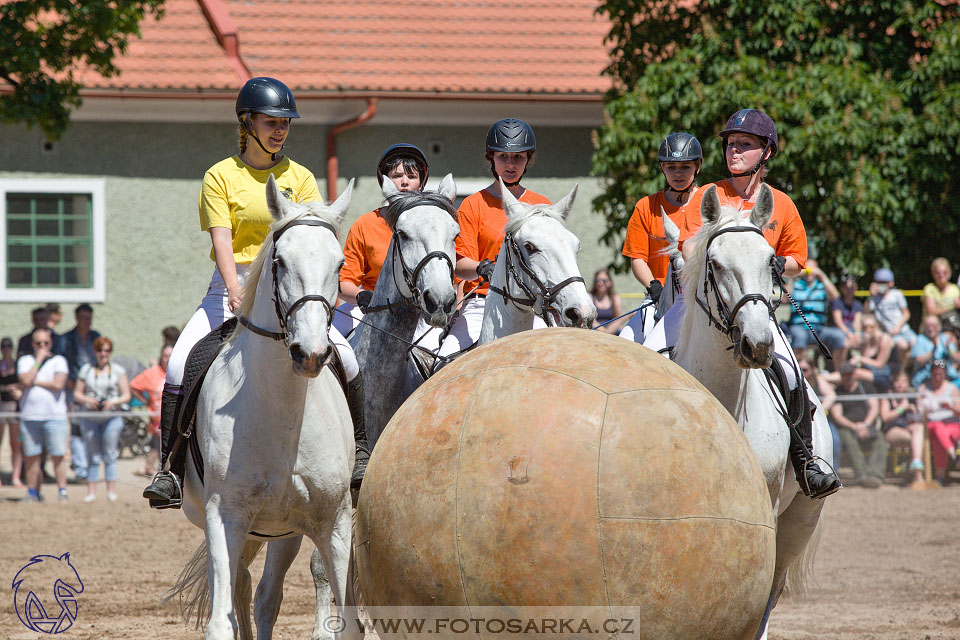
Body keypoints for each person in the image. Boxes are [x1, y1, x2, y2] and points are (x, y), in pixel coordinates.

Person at [143, 77, 364, 508]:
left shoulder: (299, 177)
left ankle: (359, 453)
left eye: (285, 123)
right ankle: (169, 469)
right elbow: (222, 240)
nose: (280, 130)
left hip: (292, 286)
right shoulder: (220, 176)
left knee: (349, 360)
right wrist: (232, 287)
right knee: (178, 365)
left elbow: (314, 238)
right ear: (248, 123)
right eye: (271, 122)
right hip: (234, 281)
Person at [643, 108, 840, 498]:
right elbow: (685, 246)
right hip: (696, 308)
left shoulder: (779, 204)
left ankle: (806, 462)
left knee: (791, 373)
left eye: (744, 144)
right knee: (645, 358)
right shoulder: (706, 196)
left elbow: (798, 258)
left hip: (754, 310)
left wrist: (778, 263)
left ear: (765, 152)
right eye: (730, 144)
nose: (733, 150)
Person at [436, 118, 551, 359]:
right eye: (503, 157)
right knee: (444, 360)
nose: (510, 165)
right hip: (482, 303)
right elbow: (459, 264)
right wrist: (482, 267)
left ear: (528, 159)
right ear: (491, 159)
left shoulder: (542, 206)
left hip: (532, 306)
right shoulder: (472, 205)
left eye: (518, 157)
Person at [334, 143, 431, 338]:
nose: (404, 182)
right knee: (324, 340)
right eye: (397, 176)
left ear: (421, 183)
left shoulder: (432, 224)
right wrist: (360, 296)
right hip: (368, 306)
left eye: (412, 177)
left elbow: (454, 279)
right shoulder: (365, 224)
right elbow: (343, 282)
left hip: (421, 312)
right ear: (384, 181)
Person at [619, 132, 702, 343]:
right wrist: (654, 286)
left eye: (685, 167)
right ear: (662, 168)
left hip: (701, 296)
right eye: (671, 167)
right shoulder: (645, 206)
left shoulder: (708, 204)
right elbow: (637, 258)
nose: (678, 173)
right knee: (625, 341)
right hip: (658, 296)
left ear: (697, 167)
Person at [73, 337, 130, 502]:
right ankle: (91, 492)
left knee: (110, 454)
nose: (103, 354)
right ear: (95, 351)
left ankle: (111, 491)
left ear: (110, 352)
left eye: (106, 350)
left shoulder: (118, 370)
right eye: (100, 350)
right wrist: (89, 401)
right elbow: (78, 393)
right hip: (90, 417)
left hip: (111, 417)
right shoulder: (86, 370)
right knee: (93, 455)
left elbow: (126, 395)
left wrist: (113, 401)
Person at [16, 328, 70, 502]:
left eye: (46, 343)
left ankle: (62, 492)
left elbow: (58, 384)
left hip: (55, 417)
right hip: (30, 417)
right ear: (33, 344)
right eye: (39, 343)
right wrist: (38, 360)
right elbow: (24, 381)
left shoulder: (59, 361)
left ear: (51, 343)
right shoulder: (25, 360)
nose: (43, 346)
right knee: (32, 457)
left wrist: (34, 382)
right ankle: (32, 492)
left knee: (58, 455)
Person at [58, 303, 100, 483]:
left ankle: (91, 468)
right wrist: (67, 381)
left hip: (92, 391)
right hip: (72, 389)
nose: (86, 322)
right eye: (83, 318)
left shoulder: (95, 337)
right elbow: (60, 361)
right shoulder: (65, 339)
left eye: (89, 318)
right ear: (76, 318)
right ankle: (81, 469)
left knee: (91, 430)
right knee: (76, 430)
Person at [832, 362, 887, 488]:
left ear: (855, 374)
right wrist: (855, 427)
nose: (847, 377)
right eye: (844, 375)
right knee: (848, 440)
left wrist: (865, 424)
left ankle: (875, 474)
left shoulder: (866, 387)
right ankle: (862, 475)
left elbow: (874, 408)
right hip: (847, 428)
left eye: (850, 374)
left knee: (881, 439)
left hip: (866, 425)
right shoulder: (838, 391)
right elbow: (837, 416)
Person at [785, 258, 845, 360]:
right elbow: (784, 299)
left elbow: (835, 297)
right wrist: (793, 276)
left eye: (812, 268)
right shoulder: (796, 285)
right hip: (799, 327)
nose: (809, 271)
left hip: (819, 329)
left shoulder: (822, 286)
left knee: (839, 336)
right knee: (799, 336)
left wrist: (822, 276)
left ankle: (839, 372)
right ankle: (801, 369)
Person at [130, 343, 172, 477]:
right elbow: (133, 386)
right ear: (161, 357)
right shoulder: (152, 373)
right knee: (160, 447)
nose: (168, 359)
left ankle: (150, 469)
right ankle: (159, 472)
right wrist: (145, 400)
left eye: (170, 356)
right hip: (158, 420)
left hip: (174, 420)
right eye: (165, 356)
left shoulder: (179, 373)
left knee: (158, 447)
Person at [880, 371, 926, 486]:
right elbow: (885, 417)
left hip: (909, 428)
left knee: (919, 429)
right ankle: (918, 476)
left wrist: (916, 410)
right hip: (892, 430)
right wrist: (902, 408)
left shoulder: (911, 397)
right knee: (917, 441)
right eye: (898, 381)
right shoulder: (888, 396)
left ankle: (915, 466)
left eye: (904, 381)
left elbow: (919, 418)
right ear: (893, 382)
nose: (900, 384)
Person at [918, 359, 960, 484]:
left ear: (945, 373)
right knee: (937, 427)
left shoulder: (952, 388)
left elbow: (959, 409)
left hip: (951, 424)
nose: (937, 377)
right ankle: (953, 455)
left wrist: (949, 406)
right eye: (935, 373)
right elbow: (919, 409)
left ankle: (940, 477)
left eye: (940, 373)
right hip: (931, 424)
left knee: (939, 438)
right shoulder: (924, 388)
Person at [866, 268, 916, 362]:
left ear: (891, 283)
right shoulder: (874, 298)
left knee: (916, 345)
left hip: (903, 329)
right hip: (889, 333)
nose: (881, 284)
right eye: (879, 282)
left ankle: (907, 370)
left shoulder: (897, 294)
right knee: (902, 346)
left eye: (884, 282)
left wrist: (898, 326)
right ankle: (900, 372)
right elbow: (865, 313)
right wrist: (870, 296)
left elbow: (906, 313)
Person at [910, 314, 959, 388]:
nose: (931, 328)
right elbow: (918, 361)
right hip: (926, 379)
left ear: (939, 326)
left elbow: (957, 360)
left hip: (948, 378)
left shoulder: (945, 338)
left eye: (934, 326)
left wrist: (949, 350)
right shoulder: (920, 340)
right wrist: (933, 351)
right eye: (928, 326)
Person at [1, 337, 24, 487]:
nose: (7, 348)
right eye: (4, 346)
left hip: (15, 408)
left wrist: (17, 389)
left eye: (9, 346)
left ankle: (16, 476)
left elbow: (24, 383)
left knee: (16, 444)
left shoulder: (18, 365)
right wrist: (7, 388)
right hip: (1, 408)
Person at [830, 273, 863, 362]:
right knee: (844, 342)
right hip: (839, 331)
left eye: (851, 288)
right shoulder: (837, 302)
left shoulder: (858, 304)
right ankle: (840, 369)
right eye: (847, 288)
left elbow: (857, 322)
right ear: (842, 289)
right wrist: (849, 334)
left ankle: (864, 367)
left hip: (852, 331)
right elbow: (838, 321)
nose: (849, 291)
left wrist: (857, 334)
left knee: (866, 339)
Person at [922, 257, 960, 335]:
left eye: (944, 272)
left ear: (949, 272)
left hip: (952, 324)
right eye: (938, 272)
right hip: (933, 328)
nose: (941, 275)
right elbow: (931, 311)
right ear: (933, 273)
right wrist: (951, 307)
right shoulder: (929, 289)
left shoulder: (954, 289)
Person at [590, 269, 625, 334]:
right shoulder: (590, 297)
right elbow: (592, 321)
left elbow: (618, 319)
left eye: (603, 281)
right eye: (597, 280)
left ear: (609, 283)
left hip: (612, 331)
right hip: (595, 331)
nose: (600, 283)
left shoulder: (615, 298)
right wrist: (603, 331)